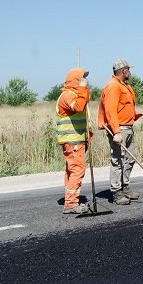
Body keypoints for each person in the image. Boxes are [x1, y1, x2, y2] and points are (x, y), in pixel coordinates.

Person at [98, 59, 141, 205]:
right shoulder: (113, 86)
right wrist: (116, 132)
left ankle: (125, 186)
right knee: (117, 160)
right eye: (129, 69)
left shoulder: (123, 86)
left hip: (128, 128)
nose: (130, 72)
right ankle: (116, 192)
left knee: (131, 157)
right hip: (119, 129)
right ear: (123, 70)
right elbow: (110, 111)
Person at [56, 67, 92, 214]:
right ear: (76, 80)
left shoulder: (75, 94)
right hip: (72, 141)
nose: (86, 80)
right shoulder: (67, 96)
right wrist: (83, 88)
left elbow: (83, 104)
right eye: (82, 78)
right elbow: (78, 107)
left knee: (72, 170)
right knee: (77, 169)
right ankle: (71, 203)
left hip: (77, 140)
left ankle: (70, 198)